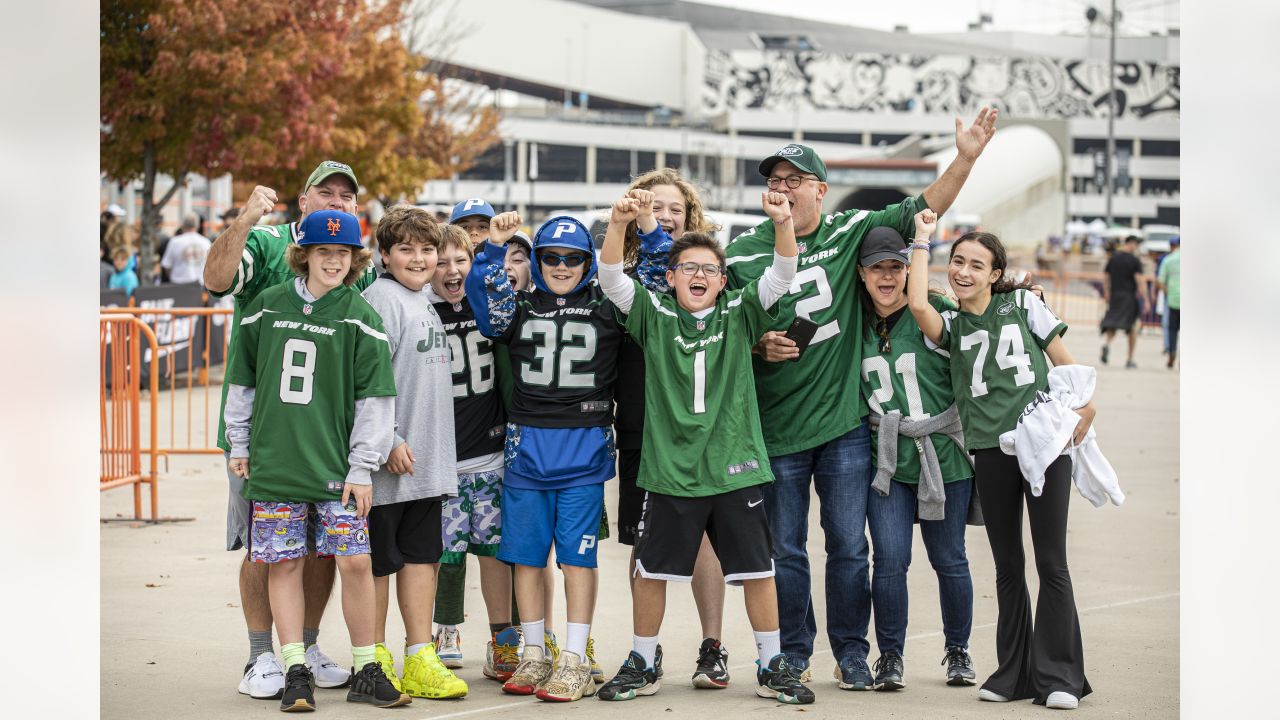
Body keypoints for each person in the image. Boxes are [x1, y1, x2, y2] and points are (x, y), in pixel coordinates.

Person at [724, 108, 997, 689]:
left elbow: (926, 206)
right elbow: (724, 331)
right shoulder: (744, 250)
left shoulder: (850, 232)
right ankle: (795, 650)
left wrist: (966, 158)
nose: (782, 188)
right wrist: (756, 347)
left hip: (846, 425)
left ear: (819, 190)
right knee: (788, 551)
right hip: (777, 429)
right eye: (774, 180)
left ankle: (852, 652)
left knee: (850, 545)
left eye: (794, 180)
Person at [596, 189, 813, 705]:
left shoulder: (738, 312)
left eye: (709, 270)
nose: (699, 276)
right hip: (672, 473)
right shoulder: (653, 314)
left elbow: (782, 272)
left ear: (722, 280)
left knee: (759, 569)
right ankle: (643, 660)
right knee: (651, 571)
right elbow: (610, 279)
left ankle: (770, 662)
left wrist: (783, 221)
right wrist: (618, 224)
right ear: (670, 277)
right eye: (687, 267)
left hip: (735, 469)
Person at [466, 212, 666, 702]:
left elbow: (659, 279)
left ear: (589, 262)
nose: (561, 265)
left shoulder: (611, 304)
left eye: (572, 258)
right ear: (536, 261)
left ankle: (575, 657)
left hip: (583, 447)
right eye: (550, 257)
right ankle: (534, 653)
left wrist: (650, 229)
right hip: (526, 447)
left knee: (578, 560)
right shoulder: (518, 306)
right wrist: (492, 249)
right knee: (526, 558)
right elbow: (485, 302)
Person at [907, 210, 1095, 710]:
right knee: (1008, 564)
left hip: (1043, 443)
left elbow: (1067, 366)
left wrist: (1087, 408)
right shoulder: (948, 323)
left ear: (995, 273)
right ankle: (1014, 674)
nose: (964, 271)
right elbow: (918, 301)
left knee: (1051, 560)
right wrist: (923, 241)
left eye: (976, 264)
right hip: (990, 450)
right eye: (958, 261)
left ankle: (1060, 677)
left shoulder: (1021, 306)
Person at [223, 209, 409, 712]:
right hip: (277, 462)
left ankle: (368, 666)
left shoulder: (359, 315)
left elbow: (375, 400)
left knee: (355, 560)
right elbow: (243, 382)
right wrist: (238, 442)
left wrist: (362, 465)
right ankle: (295, 668)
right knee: (283, 563)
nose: (333, 260)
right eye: (324, 252)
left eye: (343, 253)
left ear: (355, 260)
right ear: (303, 254)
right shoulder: (266, 305)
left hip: (335, 464)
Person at [205, 160, 373, 698]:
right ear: (303, 202)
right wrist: (244, 220)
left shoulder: (354, 263)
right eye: (326, 192)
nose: (336, 202)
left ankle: (303, 647)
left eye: (346, 196)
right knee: (266, 548)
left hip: (327, 436)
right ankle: (261, 657)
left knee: (324, 548)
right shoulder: (269, 243)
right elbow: (215, 280)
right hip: (264, 436)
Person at [611, 168, 732, 688]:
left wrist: (652, 229)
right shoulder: (623, 266)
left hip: (703, 426)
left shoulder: (702, 269)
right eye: (652, 205)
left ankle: (712, 646)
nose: (661, 215)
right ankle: (646, 651)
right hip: (642, 419)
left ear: (690, 217)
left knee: (708, 539)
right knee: (645, 543)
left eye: (672, 209)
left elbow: (672, 266)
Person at [855, 226, 977, 692]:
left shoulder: (936, 311)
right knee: (888, 561)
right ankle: (890, 656)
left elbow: (984, 318)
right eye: (877, 268)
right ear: (862, 275)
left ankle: (958, 649)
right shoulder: (854, 324)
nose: (887, 277)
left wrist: (1017, 293)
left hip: (942, 456)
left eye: (896, 267)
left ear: (909, 270)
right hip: (887, 461)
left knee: (949, 558)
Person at [360, 205, 469, 701]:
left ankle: (420, 655)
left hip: (428, 460)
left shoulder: (421, 297)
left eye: (428, 249)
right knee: (382, 562)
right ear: (385, 255)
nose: (420, 258)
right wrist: (388, 439)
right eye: (406, 249)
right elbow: (364, 380)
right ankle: (376, 658)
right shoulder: (381, 300)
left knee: (423, 559)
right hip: (391, 462)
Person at [427, 224, 520, 680]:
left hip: (490, 450)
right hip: (442, 457)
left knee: (495, 551)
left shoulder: (487, 305)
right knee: (445, 554)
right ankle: (445, 630)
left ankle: (504, 638)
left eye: (459, 260)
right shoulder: (419, 309)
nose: (451, 270)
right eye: (440, 261)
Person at [1099, 235, 1144, 368]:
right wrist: (1146, 298)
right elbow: (1139, 279)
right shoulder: (1134, 260)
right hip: (1129, 297)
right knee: (1132, 328)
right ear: (1133, 243)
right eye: (1137, 245)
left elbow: (1106, 276)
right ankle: (1130, 359)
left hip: (1115, 296)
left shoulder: (1113, 257)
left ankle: (1107, 344)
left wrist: (1106, 292)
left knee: (1112, 323)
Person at [161, 211, 213, 285]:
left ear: (182, 225)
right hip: (200, 286)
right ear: (197, 226)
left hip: (179, 286)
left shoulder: (175, 241)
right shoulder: (206, 242)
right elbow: (211, 266)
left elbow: (166, 265)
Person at [1156, 236, 1180, 369]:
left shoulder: (1168, 260)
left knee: (1172, 329)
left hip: (1173, 301)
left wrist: (1168, 293)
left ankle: (1171, 351)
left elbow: (1160, 281)